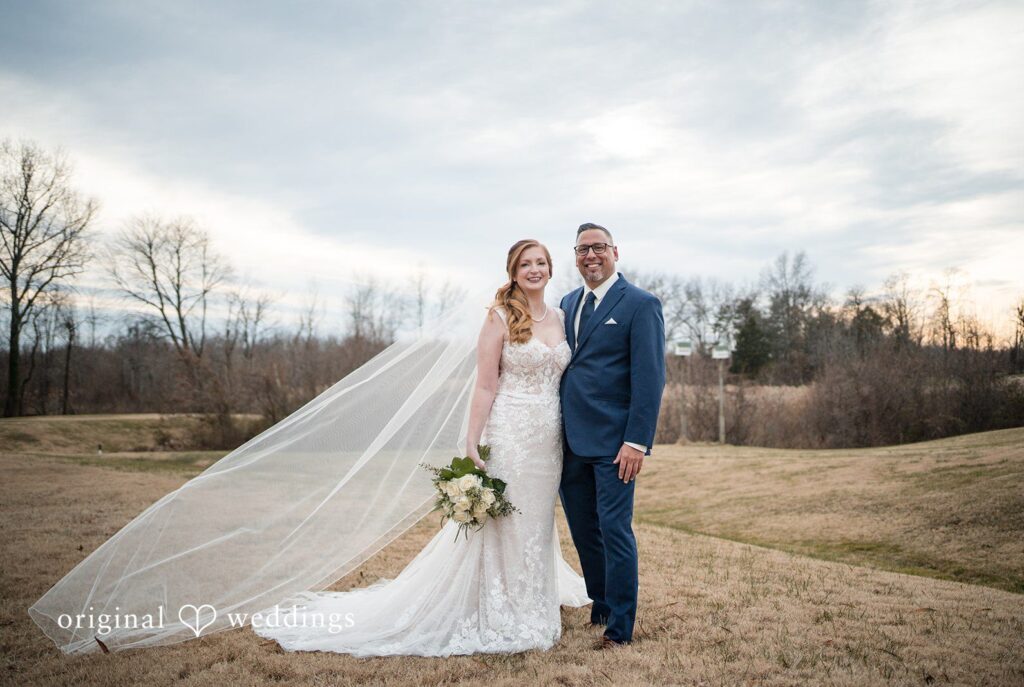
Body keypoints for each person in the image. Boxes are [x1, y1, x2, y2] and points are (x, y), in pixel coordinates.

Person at [253, 239, 590, 656]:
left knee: (536, 523)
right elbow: (485, 384)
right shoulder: (500, 317)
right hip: (510, 434)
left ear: (551, 269)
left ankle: (534, 602)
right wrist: (472, 439)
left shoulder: (561, 317)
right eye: (526, 264)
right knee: (506, 522)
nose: (534, 269)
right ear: (513, 272)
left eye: (541, 262)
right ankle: (500, 608)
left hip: (548, 440)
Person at [558, 222, 666, 650]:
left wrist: (637, 442)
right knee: (584, 532)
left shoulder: (640, 304)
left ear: (615, 252)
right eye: (582, 249)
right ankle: (600, 606)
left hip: (616, 445)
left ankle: (620, 628)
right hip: (569, 442)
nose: (590, 256)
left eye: (598, 247)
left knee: (615, 530)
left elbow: (650, 378)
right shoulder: (568, 302)